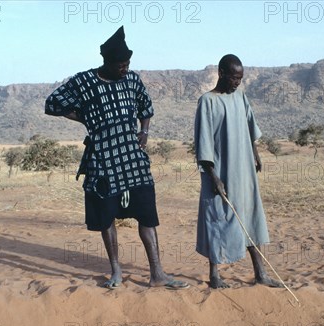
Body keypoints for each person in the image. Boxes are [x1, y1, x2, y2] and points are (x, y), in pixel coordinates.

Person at [45, 26, 188, 290]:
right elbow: (53, 104)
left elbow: (146, 107)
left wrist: (144, 131)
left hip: (133, 158)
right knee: (106, 216)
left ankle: (157, 273)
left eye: (127, 64)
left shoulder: (132, 80)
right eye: (120, 65)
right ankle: (116, 271)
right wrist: (85, 117)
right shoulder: (84, 81)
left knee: (147, 214)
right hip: (102, 159)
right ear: (107, 62)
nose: (125, 68)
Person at [194, 54, 284, 289]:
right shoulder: (207, 101)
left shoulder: (240, 96)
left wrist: (255, 154)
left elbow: (248, 127)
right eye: (234, 77)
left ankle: (260, 273)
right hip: (220, 172)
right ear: (222, 73)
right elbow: (203, 143)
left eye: (240, 78)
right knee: (218, 219)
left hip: (244, 171)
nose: (237, 82)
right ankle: (214, 275)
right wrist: (213, 176)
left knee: (250, 217)